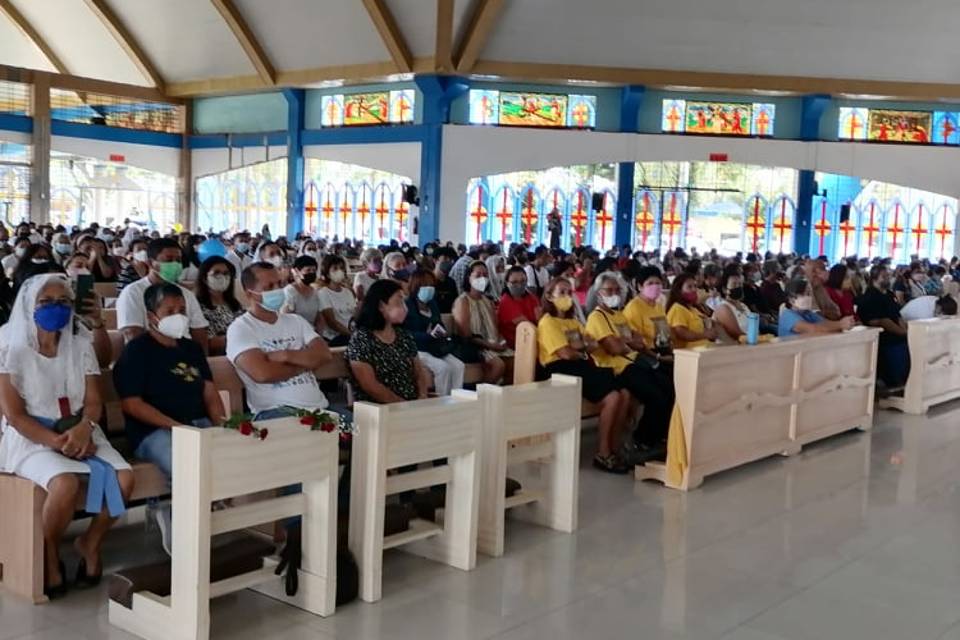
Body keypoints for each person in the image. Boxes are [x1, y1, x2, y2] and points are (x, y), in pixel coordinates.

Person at [0, 274, 134, 597]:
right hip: (31, 437)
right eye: (46, 303)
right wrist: (59, 442)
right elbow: (15, 415)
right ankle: (48, 553)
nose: (56, 309)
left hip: (81, 429)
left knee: (125, 478)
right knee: (65, 483)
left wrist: (83, 430)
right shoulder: (8, 346)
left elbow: (92, 402)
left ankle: (90, 542)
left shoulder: (79, 342)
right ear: (29, 305)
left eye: (63, 302)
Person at [113, 284, 226, 553]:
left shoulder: (191, 349)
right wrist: (176, 426)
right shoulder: (137, 351)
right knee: (184, 461)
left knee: (226, 454)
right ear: (152, 316)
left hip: (196, 423)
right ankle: (179, 524)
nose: (179, 316)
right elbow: (131, 404)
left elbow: (209, 391)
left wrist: (222, 425)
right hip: (154, 431)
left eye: (182, 310)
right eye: (170, 311)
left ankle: (201, 513)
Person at [537, 277, 631, 473]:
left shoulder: (573, 321)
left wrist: (579, 347)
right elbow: (565, 354)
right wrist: (580, 348)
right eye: (561, 292)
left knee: (625, 392)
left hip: (579, 366)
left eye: (569, 293)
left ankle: (614, 447)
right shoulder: (548, 322)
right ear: (549, 296)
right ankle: (603, 453)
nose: (566, 296)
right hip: (559, 370)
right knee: (613, 397)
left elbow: (592, 343)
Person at [227, 262, 334, 419]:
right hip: (277, 413)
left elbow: (324, 354)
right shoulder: (241, 328)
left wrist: (286, 355)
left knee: (361, 429)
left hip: (320, 410)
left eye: (280, 284)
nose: (277, 290)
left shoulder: (296, 321)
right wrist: (304, 365)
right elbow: (263, 373)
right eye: (269, 287)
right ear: (249, 293)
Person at [585, 274, 673, 460]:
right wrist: (627, 342)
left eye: (617, 290)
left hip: (635, 361)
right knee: (655, 395)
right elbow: (615, 348)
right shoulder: (596, 317)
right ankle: (642, 440)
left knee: (669, 388)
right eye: (609, 290)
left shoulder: (618, 315)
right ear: (598, 293)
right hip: (617, 369)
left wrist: (627, 342)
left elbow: (639, 342)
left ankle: (657, 438)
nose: (615, 294)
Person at [116, 238, 209, 353]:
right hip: (149, 357)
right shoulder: (132, 292)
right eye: (169, 260)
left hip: (185, 355)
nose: (175, 264)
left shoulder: (186, 294)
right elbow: (132, 333)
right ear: (150, 263)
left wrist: (202, 360)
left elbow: (199, 332)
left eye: (178, 260)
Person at [347, 279, 429, 402]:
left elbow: (418, 372)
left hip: (411, 403)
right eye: (398, 301)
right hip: (380, 408)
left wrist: (422, 396)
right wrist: (402, 405)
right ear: (381, 306)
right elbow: (370, 386)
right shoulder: (362, 339)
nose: (404, 306)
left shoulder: (403, 335)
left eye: (403, 300)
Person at [403, 268, 465, 396]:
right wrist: (427, 335)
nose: (430, 289)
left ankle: (457, 399)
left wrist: (442, 332)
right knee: (443, 368)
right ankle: (443, 400)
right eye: (426, 285)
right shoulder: (407, 306)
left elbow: (438, 323)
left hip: (435, 346)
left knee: (459, 366)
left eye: (431, 285)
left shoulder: (432, 304)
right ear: (416, 286)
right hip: (418, 348)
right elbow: (406, 333)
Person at [452, 260, 510, 383]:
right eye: (478, 275)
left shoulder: (487, 301)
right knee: (498, 365)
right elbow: (466, 335)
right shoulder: (463, 301)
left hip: (493, 343)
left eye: (485, 275)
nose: (482, 278)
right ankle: (481, 395)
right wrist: (491, 345)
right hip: (477, 346)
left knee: (518, 360)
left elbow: (494, 327)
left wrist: (502, 341)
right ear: (469, 277)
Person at [857, 265, 910, 387]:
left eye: (888, 276)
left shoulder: (889, 294)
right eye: (884, 277)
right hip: (884, 337)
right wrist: (902, 332)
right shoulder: (870, 297)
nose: (887, 279)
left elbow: (898, 316)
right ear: (875, 278)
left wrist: (905, 330)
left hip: (897, 333)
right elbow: (882, 321)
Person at [194, 256, 244, 356]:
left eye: (226, 273)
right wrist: (241, 336)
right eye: (216, 273)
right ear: (204, 278)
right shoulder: (198, 307)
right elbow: (207, 342)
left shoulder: (234, 303)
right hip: (219, 358)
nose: (222, 277)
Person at [778, 278, 855, 337]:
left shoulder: (807, 313)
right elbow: (814, 329)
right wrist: (841, 324)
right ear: (791, 300)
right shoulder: (787, 316)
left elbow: (826, 323)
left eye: (808, 294)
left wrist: (843, 323)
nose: (808, 297)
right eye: (803, 294)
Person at [666, 273, 718, 348]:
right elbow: (682, 333)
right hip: (689, 354)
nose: (694, 289)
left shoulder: (693, 309)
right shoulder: (677, 308)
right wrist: (705, 335)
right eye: (689, 287)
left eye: (695, 286)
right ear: (679, 290)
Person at [623, 266, 669, 349]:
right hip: (646, 353)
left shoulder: (658, 306)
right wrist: (659, 357)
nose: (655, 287)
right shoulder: (633, 308)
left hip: (662, 347)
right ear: (640, 286)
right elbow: (634, 342)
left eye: (658, 283)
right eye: (650, 283)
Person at [317, 254, 356, 347]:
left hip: (351, 333)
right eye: (335, 268)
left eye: (342, 268)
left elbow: (353, 315)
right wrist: (352, 335)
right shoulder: (323, 293)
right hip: (335, 337)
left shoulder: (347, 291)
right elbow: (332, 323)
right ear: (327, 274)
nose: (340, 271)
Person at [497, 266, 541, 349]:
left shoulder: (532, 297)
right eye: (514, 282)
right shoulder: (506, 302)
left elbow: (540, 319)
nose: (519, 285)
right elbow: (526, 326)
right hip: (517, 343)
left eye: (523, 281)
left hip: (533, 337)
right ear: (507, 283)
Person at [283, 255, 322, 330]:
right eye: (308, 270)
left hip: (312, 332)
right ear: (297, 271)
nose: (312, 273)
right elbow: (286, 318)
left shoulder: (315, 292)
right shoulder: (289, 291)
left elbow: (319, 318)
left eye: (314, 270)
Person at [712, 271, 752, 341]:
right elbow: (737, 334)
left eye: (740, 284)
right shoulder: (723, 308)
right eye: (734, 285)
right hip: (733, 347)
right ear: (725, 290)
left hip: (749, 344)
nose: (738, 287)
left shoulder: (744, 306)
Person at [433, 246, 459, 313]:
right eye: (445, 258)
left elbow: (455, 303)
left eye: (450, 259)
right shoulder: (428, 280)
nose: (449, 261)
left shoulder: (451, 282)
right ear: (435, 260)